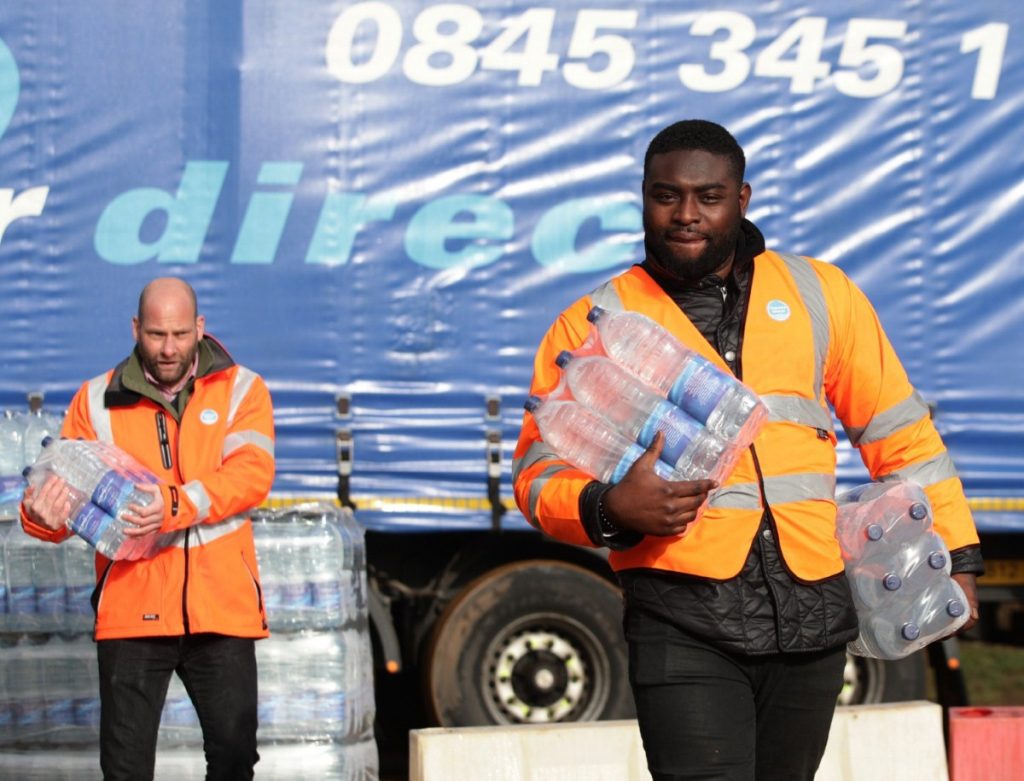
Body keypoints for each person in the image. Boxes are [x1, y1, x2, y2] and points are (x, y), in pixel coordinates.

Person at [512, 120, 983, 780]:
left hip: (813, 616)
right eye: (665, 195)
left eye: (708, 196)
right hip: (683, 618)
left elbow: (899, 434)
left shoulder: (820, 294)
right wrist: (610, 505)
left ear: (743, 198)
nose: (685, 215)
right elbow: (536, 473)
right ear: (643, 199)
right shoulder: (597, 320)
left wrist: (954, 553)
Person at [21, 277, 275, 781]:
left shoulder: (243, 389)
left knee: (233, 757)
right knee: (125, 769)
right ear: (136, 328)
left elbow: (251, 476)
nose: (168, 348)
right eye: (156, 334)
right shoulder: (95, 400)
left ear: (200, 328)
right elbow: (63, 495)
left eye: (180, 334)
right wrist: (41, 519)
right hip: (131, 611)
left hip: (220, 610)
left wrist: (172, 504)